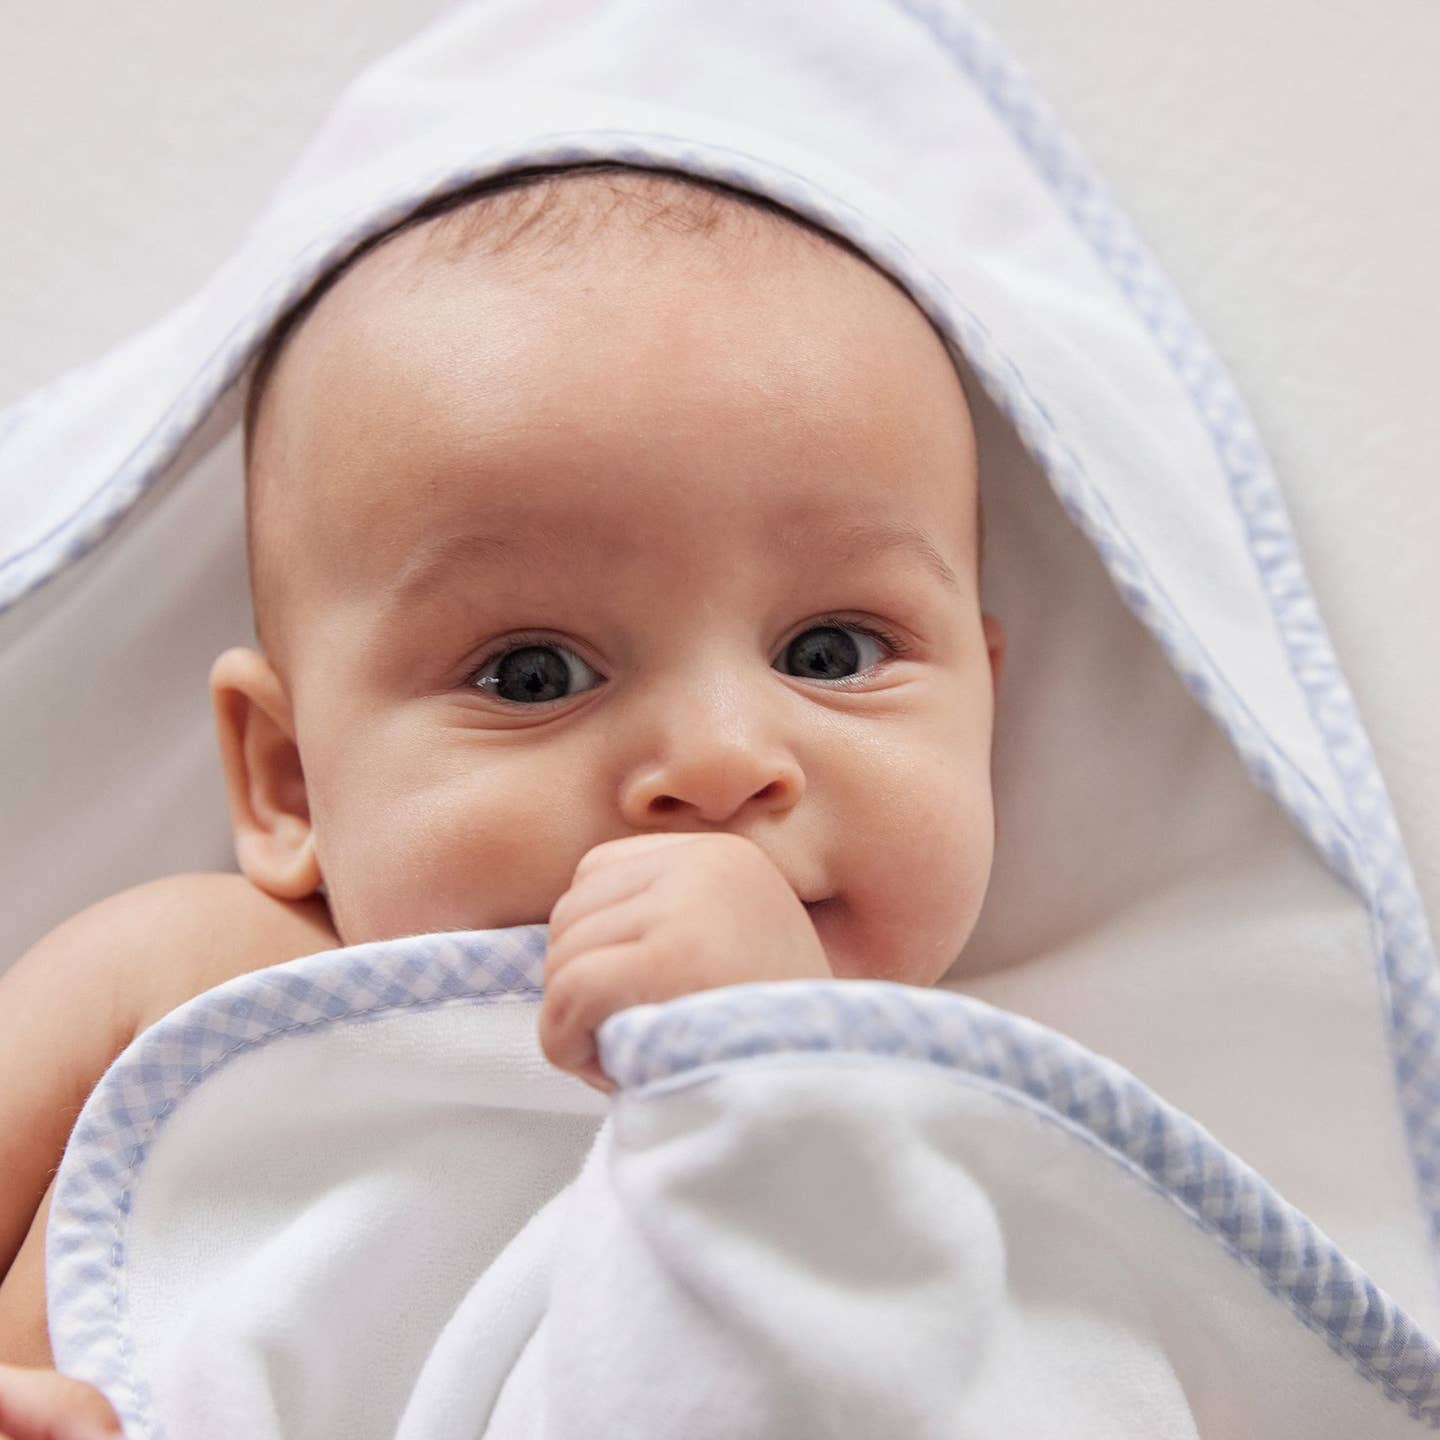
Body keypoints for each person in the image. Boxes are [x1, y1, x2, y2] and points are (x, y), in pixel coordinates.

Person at [0, 162, 1005, 1435]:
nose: (716, 758)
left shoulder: (984, 1130)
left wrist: (765, 1068)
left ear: (987, 707)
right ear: (289, 777)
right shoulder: (177, 975)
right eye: (533, 675)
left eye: (830, 654)